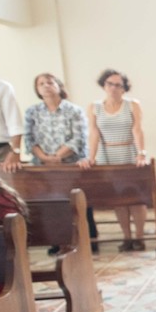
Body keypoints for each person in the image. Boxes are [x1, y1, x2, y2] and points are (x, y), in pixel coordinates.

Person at [25, 73, 98, 252]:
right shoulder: (32, 112)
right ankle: (57, 241)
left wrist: (58, 156)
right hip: (43, 166)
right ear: (37, 90)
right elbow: (29, 138)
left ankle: (88, 240)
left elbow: (78, 137)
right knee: (51, 204)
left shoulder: (74, 110)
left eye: (50, 82)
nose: (46, 86)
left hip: (71, 163)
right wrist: (44, 158)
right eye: (41, 83)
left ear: (58, 86)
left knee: (77, 202)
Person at [86, 69, 148, 251]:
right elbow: (94, 133)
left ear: (124, 88)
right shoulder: (95, 107)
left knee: (136, 198)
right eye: (110, 84)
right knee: (119, 200)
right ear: (104, 86)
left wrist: (141, 153)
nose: (113, 88)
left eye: (118, 85)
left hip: (129, 153)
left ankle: (139, 236)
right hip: (108, 156)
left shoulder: (132, 105)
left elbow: (137, 129)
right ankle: (127, 237)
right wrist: (91, 157)